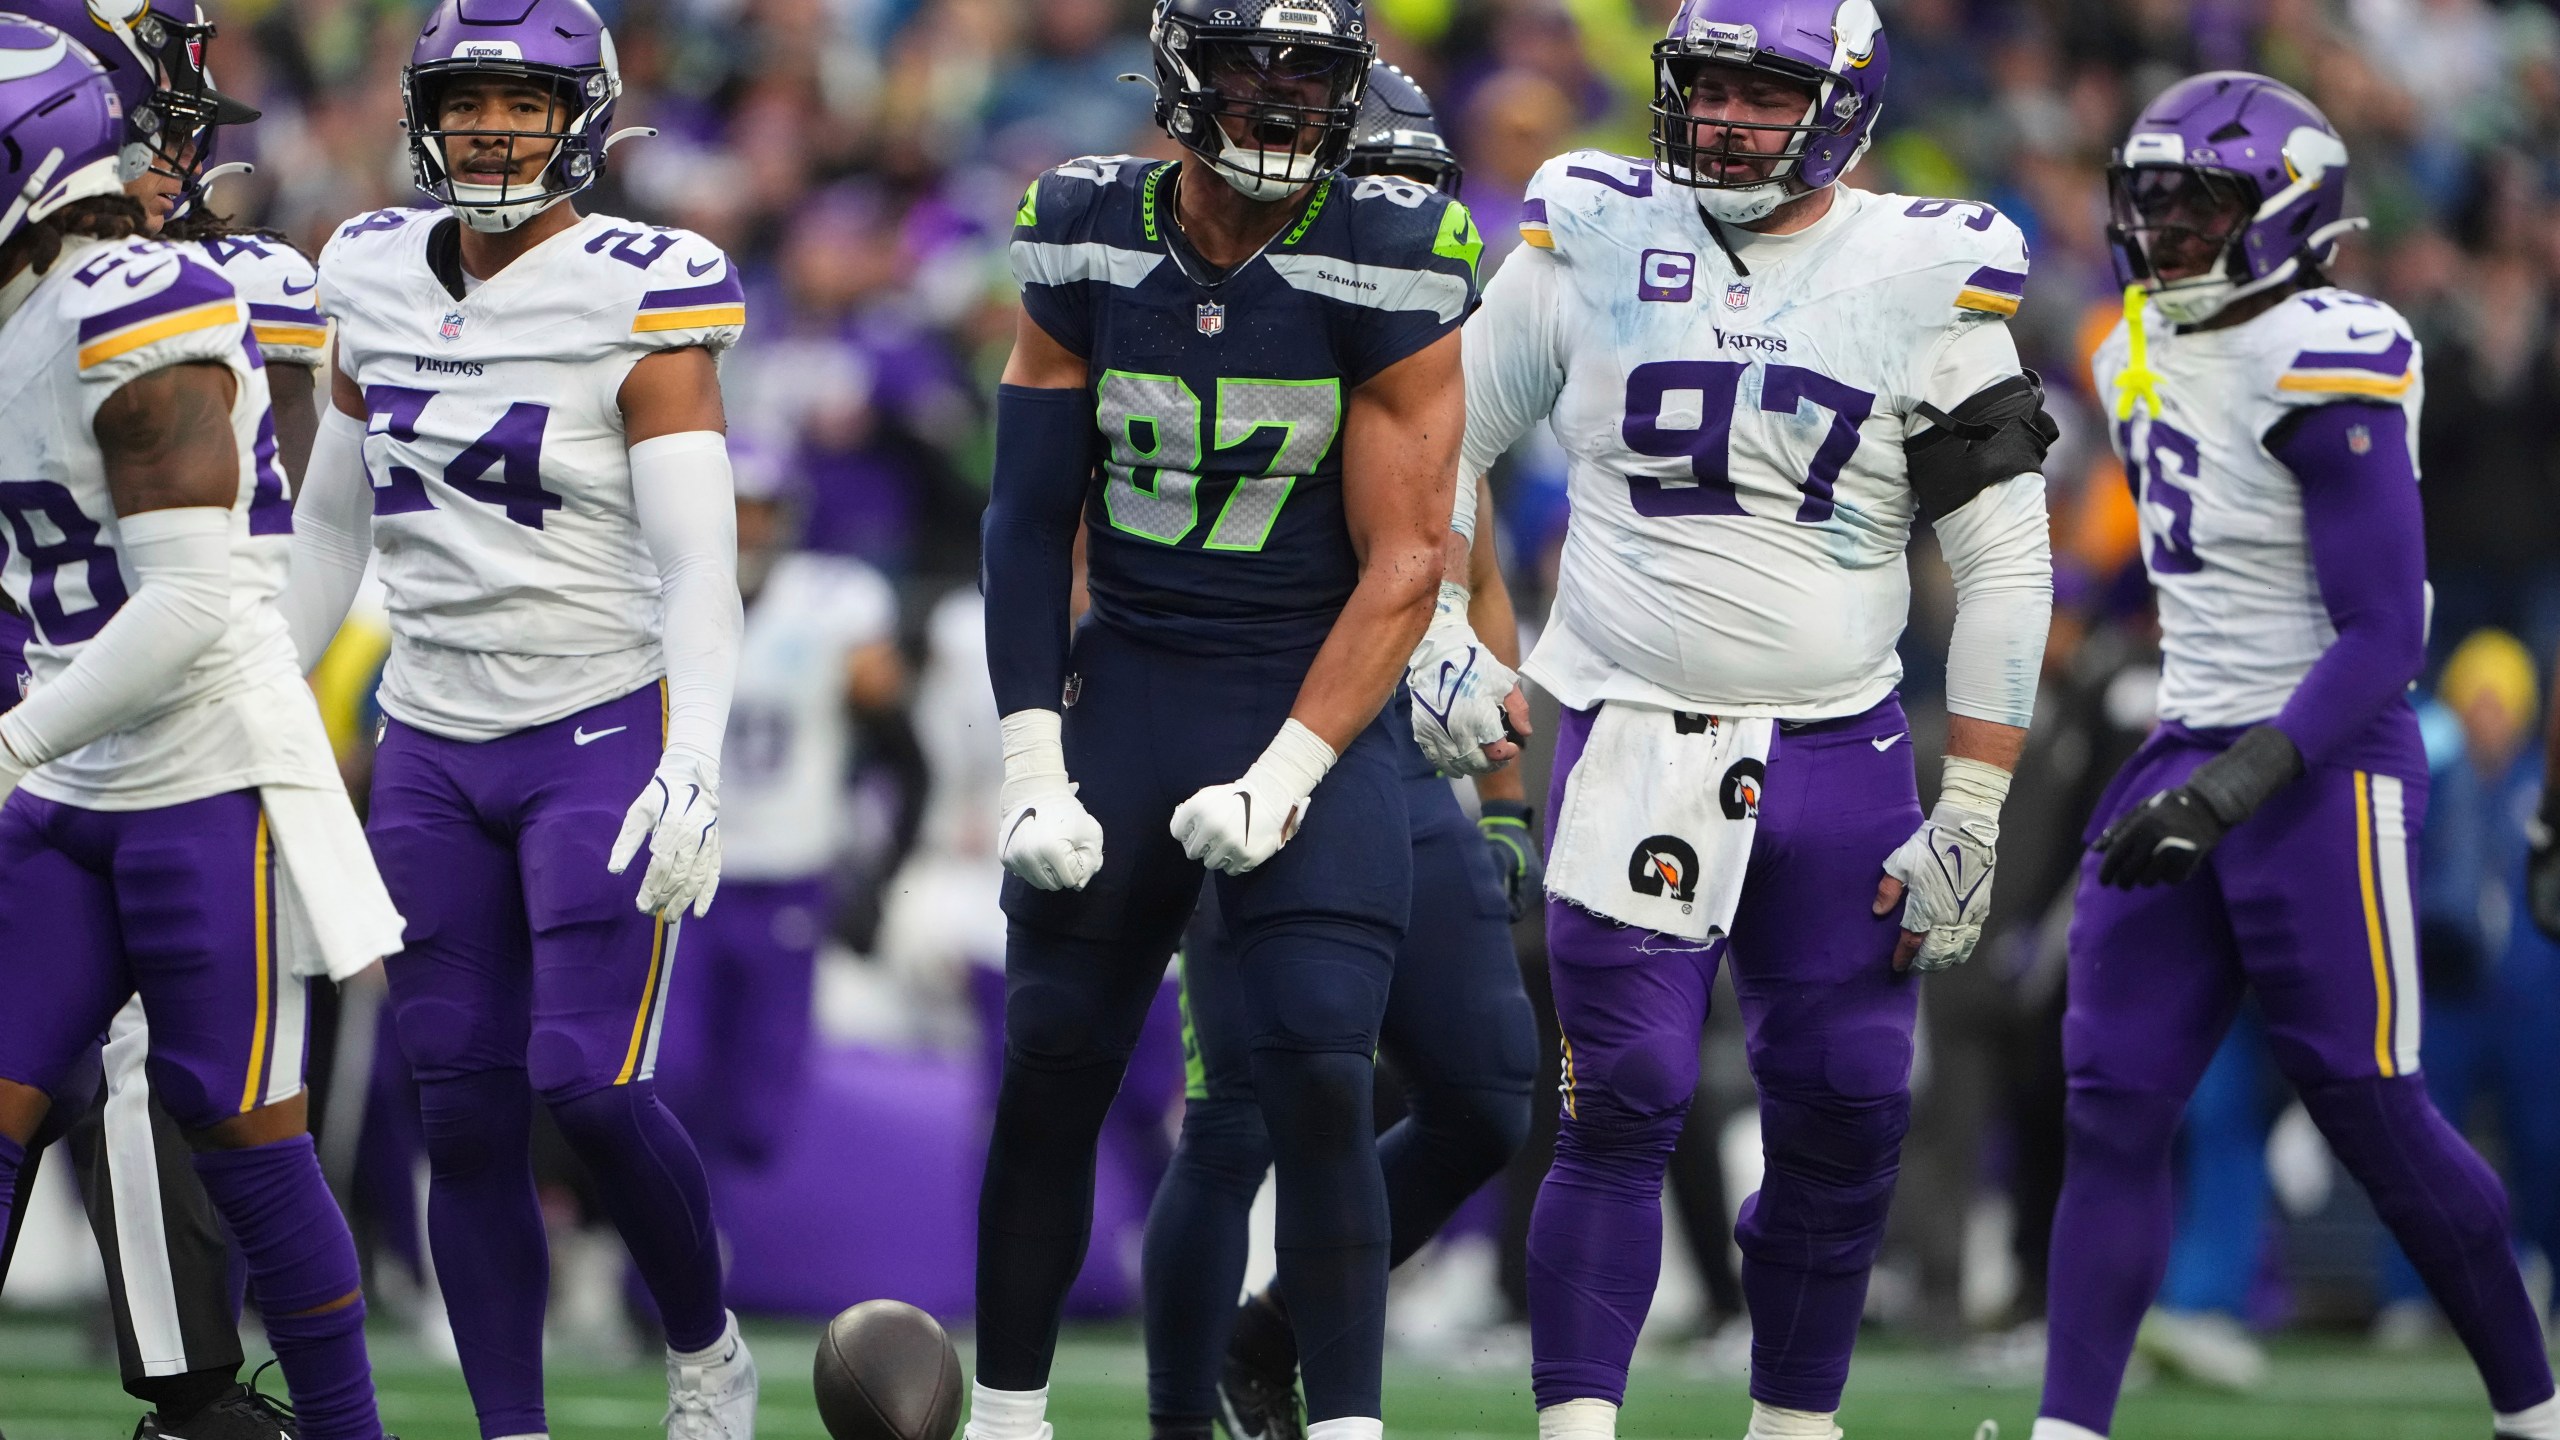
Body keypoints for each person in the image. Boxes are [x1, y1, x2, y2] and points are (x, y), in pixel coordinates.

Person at [1447, 0, 2061, 1434]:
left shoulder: (1920, 272)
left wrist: (1971, 806)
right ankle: (1577, 1424)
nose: (1717, 116)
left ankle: (1794, 1419)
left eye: (1754, 91)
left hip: (1843, 747)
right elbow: (1439, 446)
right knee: (1629, 1091)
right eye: (1702, 84)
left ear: (1842, 104)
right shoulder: (1595, 235)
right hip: (1632, 727)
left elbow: (2006, 561)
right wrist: (1434, 636)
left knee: (1850, 1107)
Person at [970, 0, 1483, 1434]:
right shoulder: (1085, 225)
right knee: (1055, 1049)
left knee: (1322, 1054)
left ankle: (1346, 1423)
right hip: (1130, 675)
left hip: (1306, 680)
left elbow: (1407, 562)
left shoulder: (1386, 249)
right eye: (1255, 66)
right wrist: (1030, 756)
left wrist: (1292, 770)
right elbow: (1023, 521)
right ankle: (1009, 1417)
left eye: (1313, 73)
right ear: (1185, 72)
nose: (1281, 99)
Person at [2034, 72, 2560, 1440]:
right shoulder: (2125, 340)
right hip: (2191, 736)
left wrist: (2239, 785)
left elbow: (2387, 634)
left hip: (2325, 759)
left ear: (2290, 216)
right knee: (2110, 1102)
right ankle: (2064, 1429)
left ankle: (2536, 1409)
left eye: (2201, 203)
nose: (2165, 230)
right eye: (2150, 201)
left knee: (2371, 1106)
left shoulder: (2334, 348)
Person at [281, 0, 758, 1433]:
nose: (495, 125)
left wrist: (693, 757)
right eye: (472, 97)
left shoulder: (641, 285)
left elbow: (699, 565)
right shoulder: (362, 267)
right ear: (426, 111)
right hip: (428, 733)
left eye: (529, 100)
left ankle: (705, 1347)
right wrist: (259, 719)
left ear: (585, 117)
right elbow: (326, 530)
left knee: (591, 1090)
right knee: (461, 1106)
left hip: (593, 727)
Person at [0, 17, 402, 1440]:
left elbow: (190, 602)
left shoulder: (134, 302)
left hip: (194, 780)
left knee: (242, 1131)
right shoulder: (21, 306)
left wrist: (9, 744)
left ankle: (338, 1426)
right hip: (73, 773)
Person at [1139, 60, 1540, 1440]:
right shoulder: (1220, 339)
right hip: (1252, 757)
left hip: (1405, 775)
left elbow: (1473, 571)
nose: (1403, 214)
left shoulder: (1428, 349)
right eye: (1378, 181)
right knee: (1246, 1112)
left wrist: (1502, 801)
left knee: (1487, 1098)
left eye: (1422, 185)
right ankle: (1181, 1421)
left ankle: (1271, 1338)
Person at [657, 447, 903, 1174]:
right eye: (733, 507)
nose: (746, 526)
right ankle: (662, 1262)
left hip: (789, 880)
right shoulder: (653, 595)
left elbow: (902, 746)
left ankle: (716, 1245)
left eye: (760, 509)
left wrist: (878, 880)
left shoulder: (833, 602)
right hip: (681, 879)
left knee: (760, 1114)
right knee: (668, 1076)